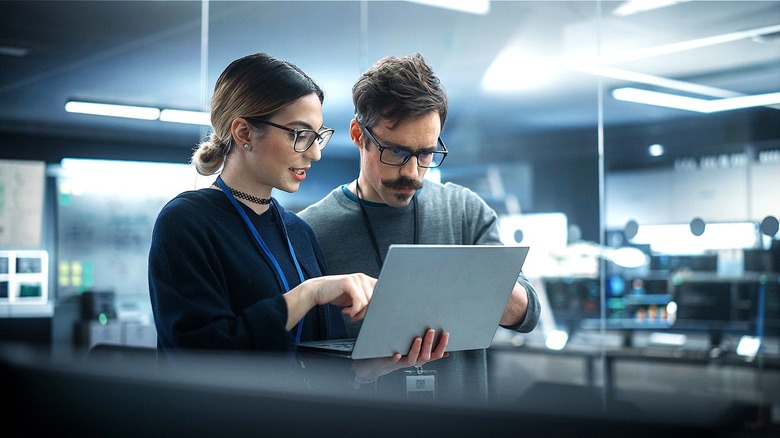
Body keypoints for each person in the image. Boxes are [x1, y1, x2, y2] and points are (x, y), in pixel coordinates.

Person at [148, 53, 447, 386]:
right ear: (244, 132)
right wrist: (309, 294)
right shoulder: (187, 222)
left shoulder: (298, 233)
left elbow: (315, 363)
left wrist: (367, 367)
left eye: (318, 136)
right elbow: (199, 357)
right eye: (299, 134)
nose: (315, 153)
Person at [298, 53, 541, 402]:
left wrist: (484, 283)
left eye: (426, 154)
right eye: (396, 152)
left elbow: (528, 313)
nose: (413, 173)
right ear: (358, 135)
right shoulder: (310, 231)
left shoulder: (464, 210)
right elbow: (301, 365)